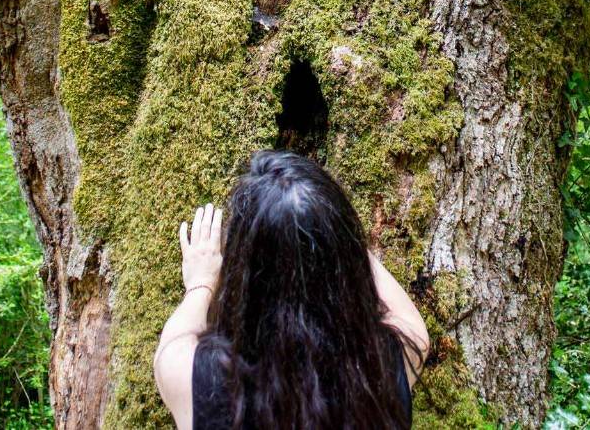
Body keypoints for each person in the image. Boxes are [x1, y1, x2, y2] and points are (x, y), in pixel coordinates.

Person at [154, 150, 430, 429]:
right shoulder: (378, 367)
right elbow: (413, 326)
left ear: (242, 269)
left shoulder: (208, 384)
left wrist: (200, 283)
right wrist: (333, 234)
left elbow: (171, 347)